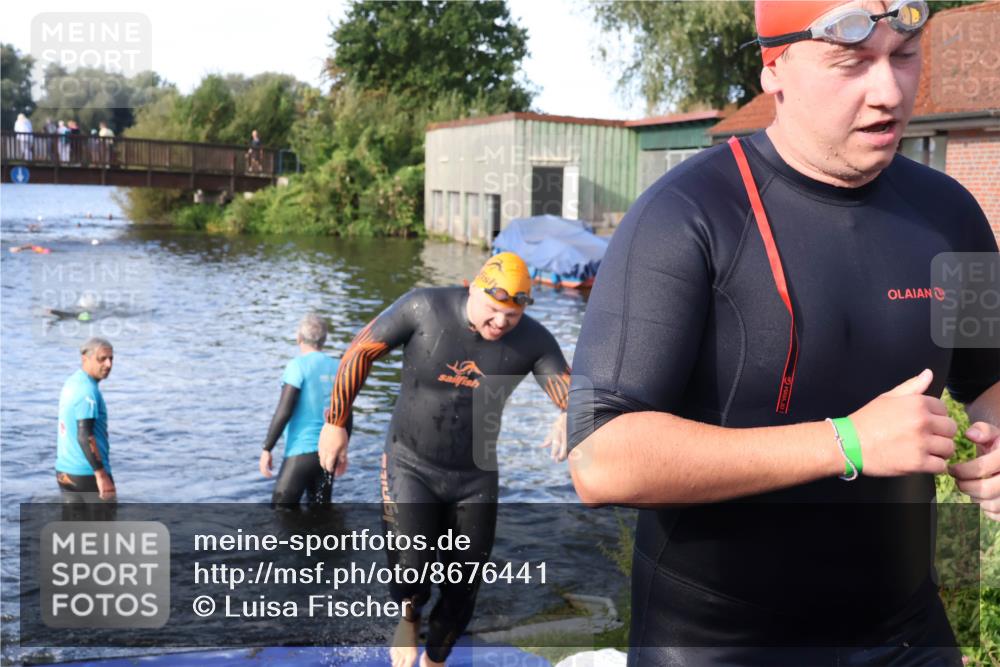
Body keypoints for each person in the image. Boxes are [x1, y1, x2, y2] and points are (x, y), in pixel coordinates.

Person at [566, 1, 1000, 665]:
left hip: (905, 633)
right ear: (776, 70)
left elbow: (989, 379)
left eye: (904, 57)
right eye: (852, 62)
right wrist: (846, 441)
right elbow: (601, 458)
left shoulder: (950, 214)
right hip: (720, 644)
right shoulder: (686, 216)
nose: (889, 91)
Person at [318, 252, 571, 667]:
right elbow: (360, 351)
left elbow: (571, 391)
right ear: (473, 288)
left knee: (463, 586)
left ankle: (435, 659)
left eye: (511, 315)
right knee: (410, 566)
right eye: (493, 310)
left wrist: (568, 414)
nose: (501, 323)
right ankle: (408, 616)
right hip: (410, 463)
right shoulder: (424, 307)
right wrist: (336, 422)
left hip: (475, 476)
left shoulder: (533, 339)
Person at [260, 313, 347, 507]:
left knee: (280, 512)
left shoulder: (296, 366)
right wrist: (343, 451)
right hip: (328, 453)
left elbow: (284, 410)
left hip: (300, 452)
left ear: (298, 338)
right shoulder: (338, 367)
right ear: (323, 340)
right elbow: (346, 411)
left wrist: (267, 448)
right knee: (321, 513)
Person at [56, 338, 116, 504]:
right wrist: (101, 474)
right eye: (102, 359)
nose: (109, 364)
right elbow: (84, 435)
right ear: (85, 359)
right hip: (87, 475)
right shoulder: (87, 391)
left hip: (65, 472)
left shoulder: (73, 382)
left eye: (111, 358)